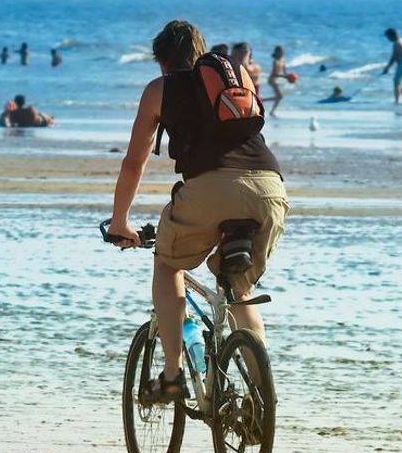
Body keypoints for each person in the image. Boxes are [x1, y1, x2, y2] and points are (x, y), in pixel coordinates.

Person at [107, 20, 288, 402]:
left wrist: (121, 221)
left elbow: (133, 163)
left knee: (168, 266)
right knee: (240, 290)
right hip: (270, 188)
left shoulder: (161, 89)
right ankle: (260, 403)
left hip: (210, 189)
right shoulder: (236, 78)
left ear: (161, 62)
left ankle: (172, 376)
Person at [382, 28, 402, 104]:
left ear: (392, 35)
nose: (388, 39)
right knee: (398, 82)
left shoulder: (397, 43)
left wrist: (387, 67)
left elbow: (394, 57)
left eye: (388, 37)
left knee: (396, 81)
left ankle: (397, 100)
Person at [265, 46, 288, 116]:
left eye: (283, 51)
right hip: (272, 80)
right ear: (277, 52)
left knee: (279, 97)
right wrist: (283, 76)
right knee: (280, 96)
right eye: (281, 51)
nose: (282, 53)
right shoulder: (275, 61)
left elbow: (285, 73)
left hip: (276, 80)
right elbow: (275, 73)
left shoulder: (283, 60)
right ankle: (262, 100)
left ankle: (272, 111)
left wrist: (290, 77)